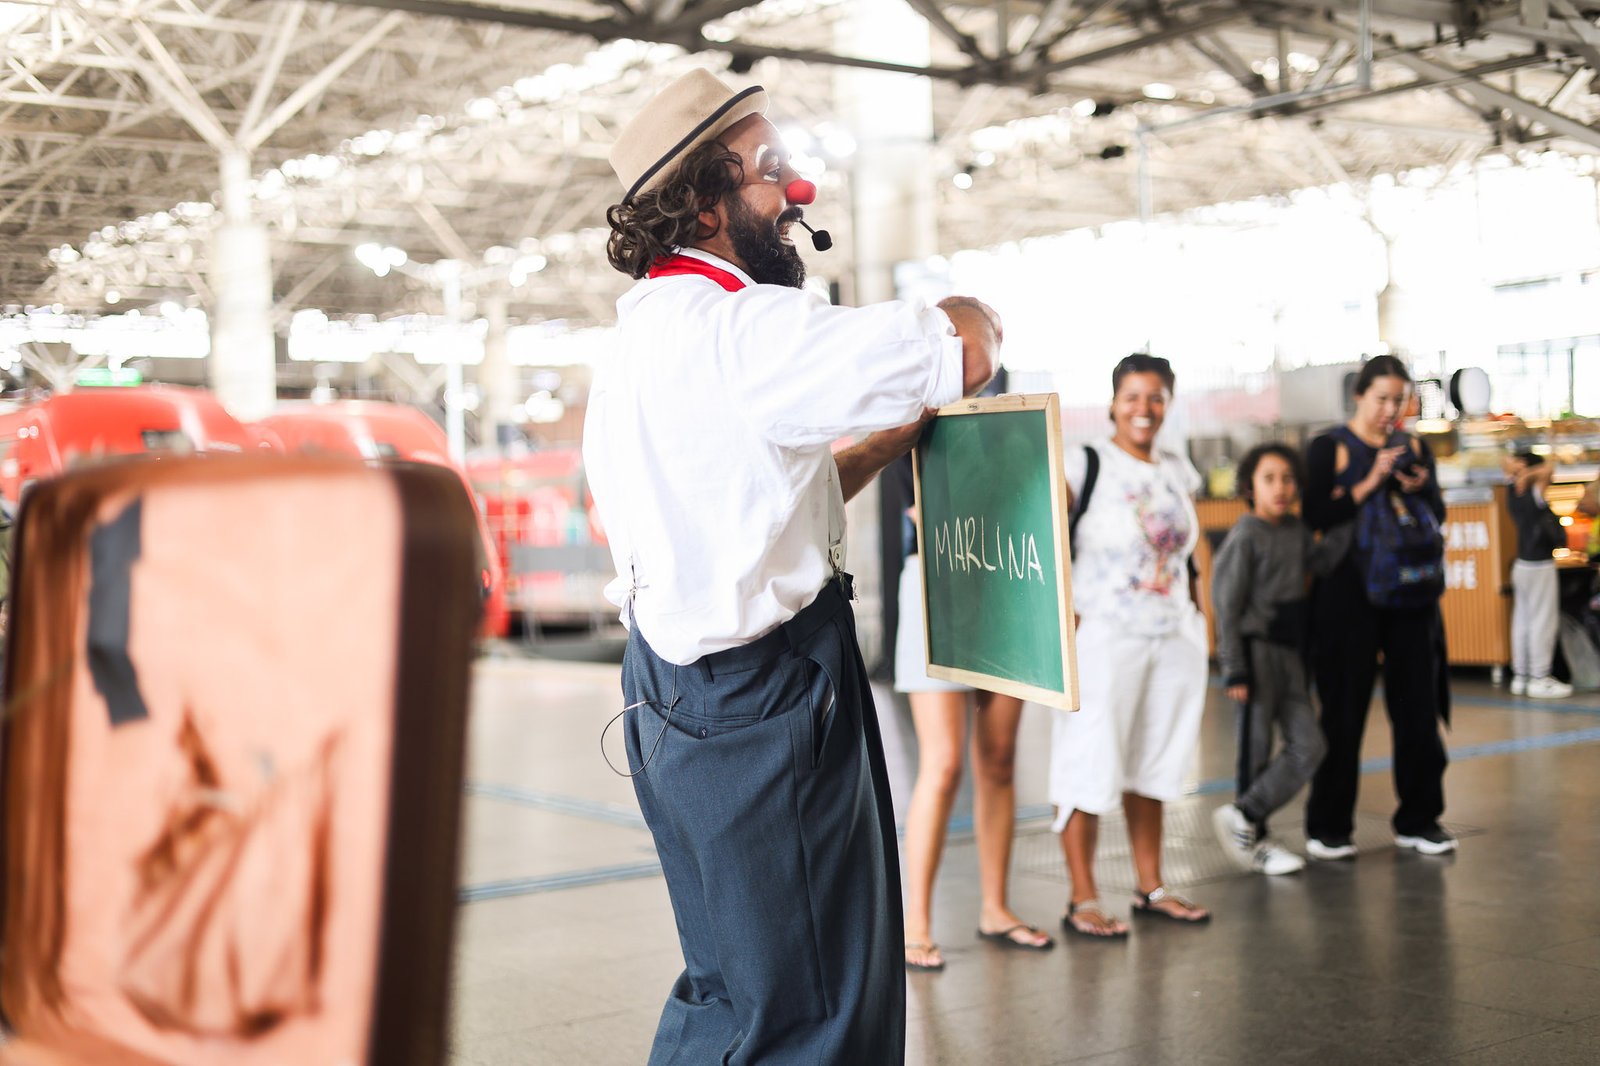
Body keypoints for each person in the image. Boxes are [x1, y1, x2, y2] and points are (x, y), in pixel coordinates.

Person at [585, 68, 1000, 1065]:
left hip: (671, 697)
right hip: (770, 704)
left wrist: (874, 450)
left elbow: (744, 509)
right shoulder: (745, 328)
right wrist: (973, 310)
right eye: (770, 171)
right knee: (815, 1010)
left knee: (732, 986)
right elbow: (962, 349)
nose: (794, 192)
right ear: (700, 200)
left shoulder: (638, 336)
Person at [1048, 353, 1211, 939]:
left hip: (1172, 636)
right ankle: (1082, 897)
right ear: (1114, 400)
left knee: (1155, 761)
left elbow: (1195, 551)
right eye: (1133, 397)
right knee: (1088, 759)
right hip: (1107, 636)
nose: (1144, 409)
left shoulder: (1174, 466)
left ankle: (1152, 886)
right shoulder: (1085, 463)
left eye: (1156, 397)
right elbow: (1037, 523)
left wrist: (1204, 620)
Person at [890, 453, 1053, 971]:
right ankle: (915, 922)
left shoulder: (1008, 422)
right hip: (937, 580)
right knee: (943, 766)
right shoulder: (910, 415)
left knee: (999, 759)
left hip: (1006, 578)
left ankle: (995, 909)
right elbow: (922, 508)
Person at [1302, 355, 1455, 858]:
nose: (1391, 410)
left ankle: (1419, 819)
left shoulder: (1413, 446)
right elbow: (1315, 515)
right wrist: (1368, 481)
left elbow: (1436, 514)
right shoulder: (1329, 448)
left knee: (1418, 709)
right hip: (1348, 597)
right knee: (1343, 714)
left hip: (1410, 595)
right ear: (1359, 395)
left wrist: (1420, 485)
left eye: (1399, 399)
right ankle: (1328, 827)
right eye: (1382, 398)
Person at [1209, 443, 1331, 876]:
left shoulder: (1296, 531)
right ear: (1249, 486)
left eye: (1288, 478)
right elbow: (1226, 602)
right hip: (1256, 657)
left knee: (1310, 746)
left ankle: (1244, 815)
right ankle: (1255, 841)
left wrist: (1356, 507)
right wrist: (1234, 667)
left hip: (1291, 659)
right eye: (1269, 478)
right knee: (1255, 750)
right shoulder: (1246, 535)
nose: (1280, 487)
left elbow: (1323, 559)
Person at [1503, 450, 1571, 699]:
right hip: (1540, 565)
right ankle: (1540, 677)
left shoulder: (1512, 489)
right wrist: (1528, 473)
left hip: (1521, 565)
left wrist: (1519, 473)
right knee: (1543, 621)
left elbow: (1507, 463)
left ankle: (1521, 676)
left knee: (1522, 620)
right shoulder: (1533, 490)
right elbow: (1549, 469)